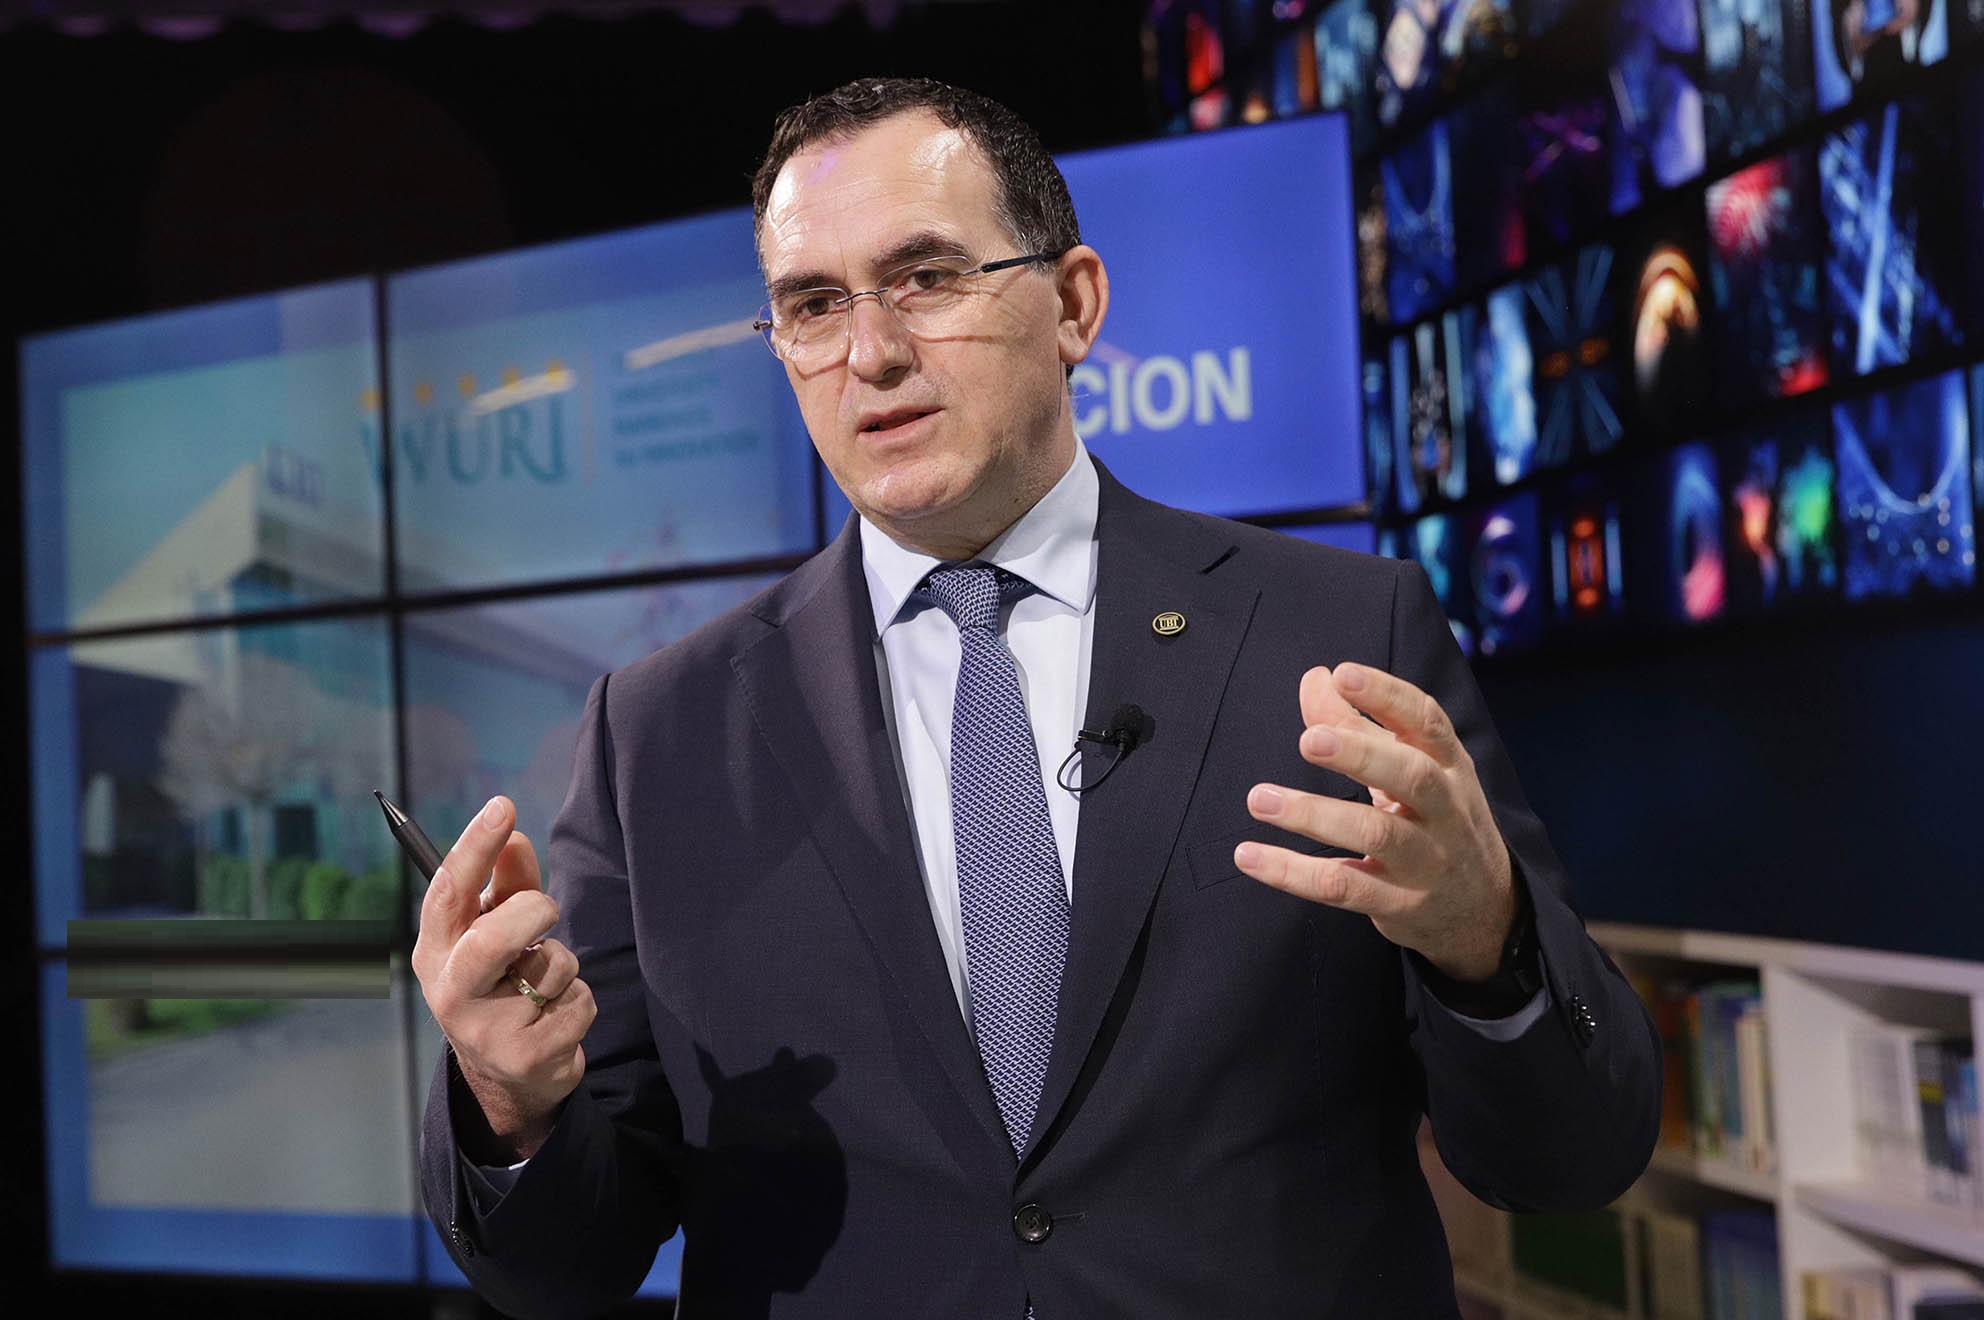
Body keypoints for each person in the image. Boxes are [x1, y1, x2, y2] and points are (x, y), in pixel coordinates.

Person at [412, 77, 1661, 1319]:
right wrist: (509, 1103)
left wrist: (1485, 945)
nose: (871, 354)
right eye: (812, 305)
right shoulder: (660, 735)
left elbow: (1569, 1160)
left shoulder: (1337, 636)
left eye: (926, 278)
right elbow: (564, 1270)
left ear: (1072, 304)